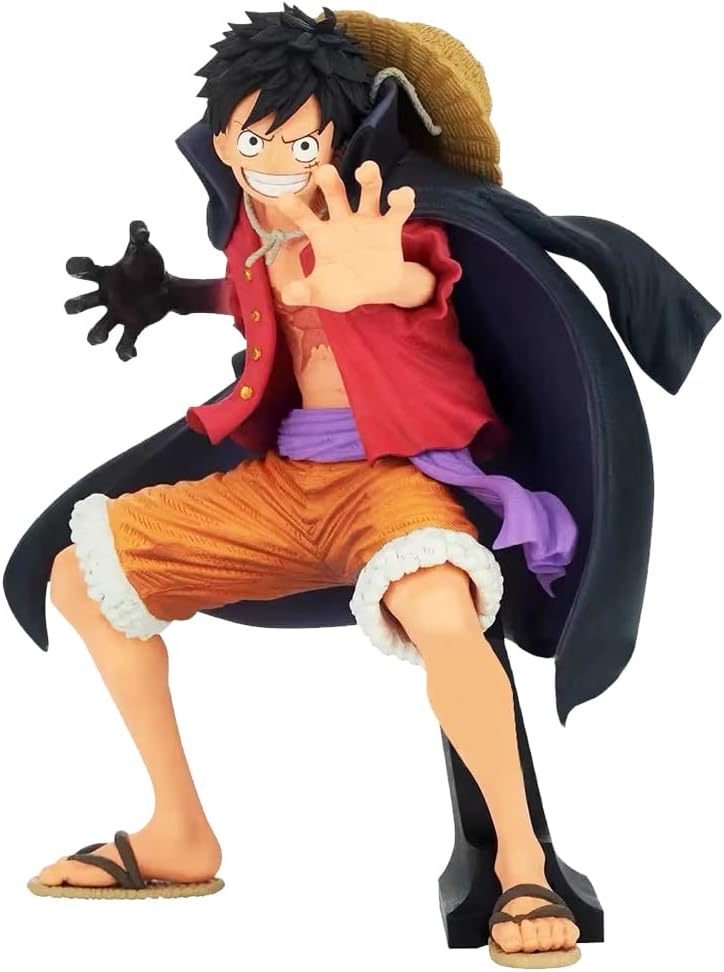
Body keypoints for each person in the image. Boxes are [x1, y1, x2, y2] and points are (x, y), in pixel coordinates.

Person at [5, 7, 718, 969]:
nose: (273, 162)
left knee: (445, 610)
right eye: (251, 138)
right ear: (222, 136)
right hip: (284, 483)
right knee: (82, 578)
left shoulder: (388, 223)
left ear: (341, 140)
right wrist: (172, 295)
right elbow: (261, 300)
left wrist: (388, 283)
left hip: (392, 481)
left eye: (301, 143)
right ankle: (179, 832)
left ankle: (520, 860)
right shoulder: (249, 226)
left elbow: (420, 278)